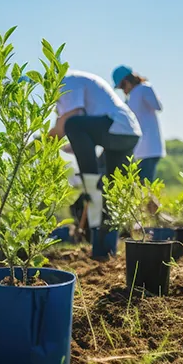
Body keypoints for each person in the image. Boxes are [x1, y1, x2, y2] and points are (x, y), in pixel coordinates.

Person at [47, 69, 142, 241]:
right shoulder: (79, 84)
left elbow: (67, 124)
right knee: (113, 189)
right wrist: (69, 146)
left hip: (116, 125)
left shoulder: (67, 81)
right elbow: (82, 138)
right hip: (128, 133)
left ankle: (91, 184)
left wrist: (43, 145)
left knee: (73, 124)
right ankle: (104, 243)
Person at [113, 65, 166, 181]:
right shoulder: (131, 97)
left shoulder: (144, 88)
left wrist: (147, 90)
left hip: (150, 149)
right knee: (139, 186)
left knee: (144, 186)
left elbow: (158, 106)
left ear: (127, 81)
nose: (123, 90)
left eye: (122, 86)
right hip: (139, 150)